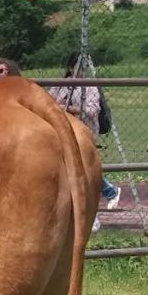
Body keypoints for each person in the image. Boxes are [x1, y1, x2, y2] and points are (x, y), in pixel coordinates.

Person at [47, 52, 121, 225]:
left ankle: (99, 205)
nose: (82, 70)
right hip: (64, 131)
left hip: (85, 132)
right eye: (79, 66)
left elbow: (92, 110)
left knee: (81, 171)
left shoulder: (90, 87)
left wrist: (69, 108)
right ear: (70, 67)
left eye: (85, 67)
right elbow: (48, 102)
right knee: (73, 171)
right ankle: (107, 194)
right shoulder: (62, 85)